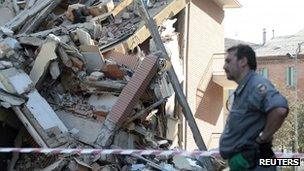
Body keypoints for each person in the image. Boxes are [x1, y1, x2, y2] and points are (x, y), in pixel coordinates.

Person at [219, 44, 289, 171]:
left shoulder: (256, 85)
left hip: (254, 163)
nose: (224, 66)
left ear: (243, 62)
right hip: (244, 163)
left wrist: (262, 139)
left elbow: (280, 110)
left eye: (228, 61)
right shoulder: (244, 88)